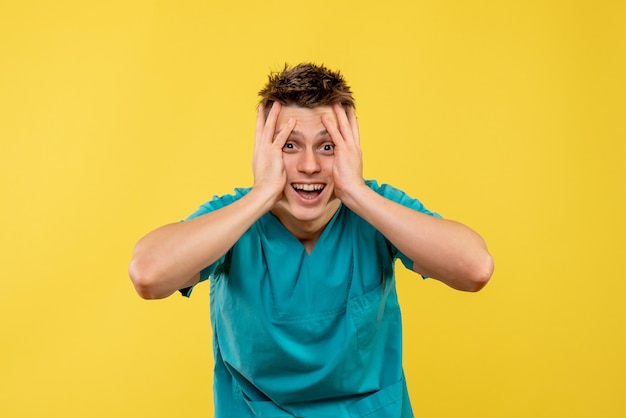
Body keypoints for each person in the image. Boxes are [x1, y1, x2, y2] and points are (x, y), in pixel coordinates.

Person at [128, 63, 494, 417]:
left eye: (328, 146)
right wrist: (261, 194)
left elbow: (475, 268)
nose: (309, 165)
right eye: (289, 146)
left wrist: (356, 190)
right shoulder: (235, 218)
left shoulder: (376, 209)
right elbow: (148, 274)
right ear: (264, 150)